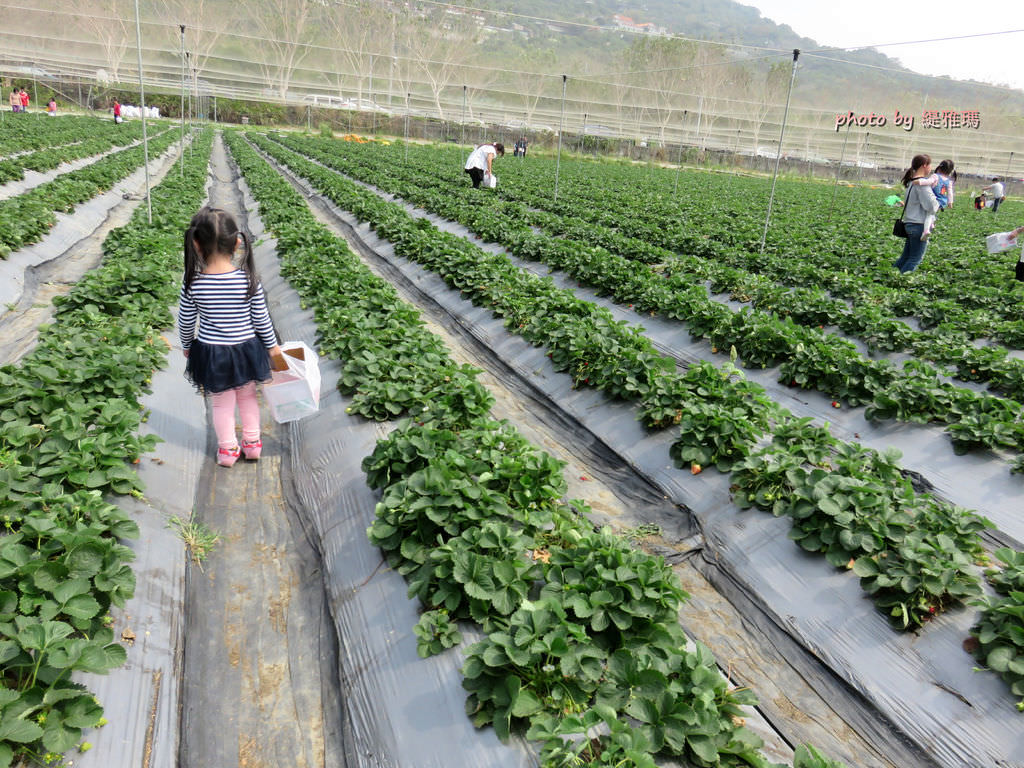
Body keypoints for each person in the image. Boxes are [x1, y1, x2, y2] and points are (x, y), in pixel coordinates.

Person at [178, 207, 283, 467]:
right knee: (247, 396)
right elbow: (261, 319)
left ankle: (227, 451)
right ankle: (252, 444)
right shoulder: (248, 280)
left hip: (212, 352)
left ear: (196, 244)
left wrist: (187, 344)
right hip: (246, 349)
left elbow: (186, 319)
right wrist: (272, 348)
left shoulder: (193, 282)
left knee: (221, 402)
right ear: (237, 243)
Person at [894, 154, 939, 274]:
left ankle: (889, 275)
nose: (930, 168)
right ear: (925, 165)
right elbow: (931, 206)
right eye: (930, 165)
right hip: (919, 225)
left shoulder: (911, 182)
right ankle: (898, 280)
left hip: (910, 224)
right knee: (915, 259)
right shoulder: (922, 184)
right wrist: (938, 202)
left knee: (906, 257)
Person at [910, 159, 955, 241]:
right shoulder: (949, 181)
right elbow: (950, 193)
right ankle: (932, 224)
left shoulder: (935, 176)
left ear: (939, 168)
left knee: (929, 215)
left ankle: (926, 230)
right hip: (942, 201)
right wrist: (950, 202)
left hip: (934, 199)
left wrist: (919, 182)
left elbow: (928, 181)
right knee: (932, 213)